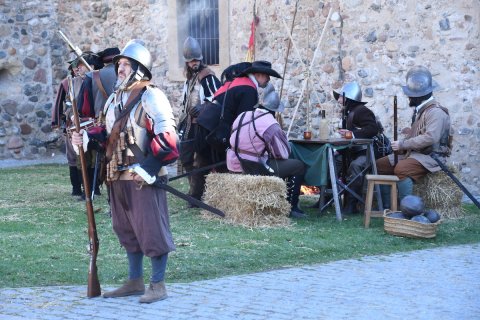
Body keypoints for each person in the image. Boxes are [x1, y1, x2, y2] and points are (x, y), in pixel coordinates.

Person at [71, 39, 179, 304]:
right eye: (119, 63)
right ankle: (134, 280)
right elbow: (107, 135)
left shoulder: (152, 96)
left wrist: (149, 169)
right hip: (117, 175)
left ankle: (157, 284)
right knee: (126, 230)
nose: (120, 68)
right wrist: (84, 138)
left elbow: (169, 141)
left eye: (126, 64)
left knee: (151, 230)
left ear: (139, 69)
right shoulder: (113, 100)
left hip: (143, 177)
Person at [227, 83, 306, 218]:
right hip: (254, 167)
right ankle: (291, 207)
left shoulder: (242, 116)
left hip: (233, 163)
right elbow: (282, 154)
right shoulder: (271, 124)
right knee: (298, 166)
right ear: (274, 110)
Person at [376, 65, 452, 207]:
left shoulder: (435, 112)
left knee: (402, 169)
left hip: (431, 157)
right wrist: (405, 140)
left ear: (418, 96)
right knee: (380, 165)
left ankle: (408, 209)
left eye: (410, 94)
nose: (408, 96)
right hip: (414, 154)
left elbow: (431, 138)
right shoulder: (421, 111)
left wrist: (403, 144)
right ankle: (386, 208)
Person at [199, 60, 282, 166]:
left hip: (207, 123)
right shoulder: (249, 89)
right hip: (212, 129)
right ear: (258, 74)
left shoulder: (240, 82)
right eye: (267, 76)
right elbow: (243, 123)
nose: (269, 79)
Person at [52, 52, 103, 198]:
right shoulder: (72, 83)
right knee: (78, 158)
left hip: (95, 125)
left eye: (81, 66)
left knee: (95, 158)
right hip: (76, 125)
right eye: (77, 67)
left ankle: (95, 188)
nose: (78, 69)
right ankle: (78, 188)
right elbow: (68, 105)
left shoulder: (99, 81)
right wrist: (72, 116)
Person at [177, 37, 220, 203]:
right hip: (189, 126)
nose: (194, 63)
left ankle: (196, 196)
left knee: (200, 161)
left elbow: (218, 98)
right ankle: (194, 191)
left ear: (201, 59)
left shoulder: (207, 77)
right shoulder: (190, 78)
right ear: (187, 62)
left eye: (196, 60)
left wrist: (203, 107)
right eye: (190, 60)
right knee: (186, 159)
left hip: (201, 127)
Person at [76, 47, 121, 197]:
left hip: (102, 127)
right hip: (126, 125)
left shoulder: (92, 77)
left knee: (104, 162)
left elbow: (84, 108)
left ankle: (111, 199)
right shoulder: (130, 74)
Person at [333, 81, 378, 214]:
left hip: (366, 153)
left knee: (355, 166)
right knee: (333, 161)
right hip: (352, 152)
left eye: (341, 97)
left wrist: (352, 134)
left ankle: (352, 204)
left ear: (349, 98)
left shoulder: (362, 111)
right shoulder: (349, 112)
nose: (339, 100)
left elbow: (372, 129)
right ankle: (328, 198)